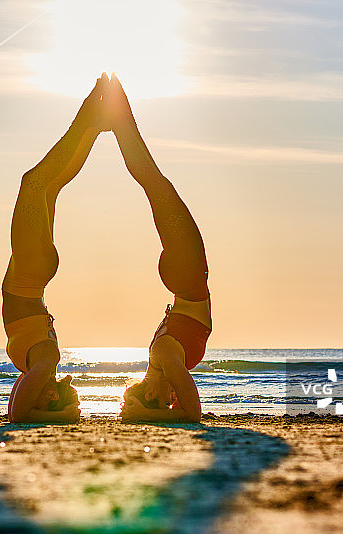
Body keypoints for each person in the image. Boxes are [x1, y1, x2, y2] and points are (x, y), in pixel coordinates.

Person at [2, 74, 112, 423]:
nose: (47, 391)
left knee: (47, 185)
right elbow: (20, 415)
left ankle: (91, 124)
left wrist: (51, 411)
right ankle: (89, 119)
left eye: (46, 398)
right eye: (54, 395)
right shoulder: (47, 360)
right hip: (29, 278)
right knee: (36, 183)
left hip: (30, 276)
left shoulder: (40, 364)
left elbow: (17, 411)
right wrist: (59, 411)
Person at [106, 74, 212, 423]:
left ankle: (119, 114)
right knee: (155, 184)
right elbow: (185, 405)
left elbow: (193, 412)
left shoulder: (165, 356)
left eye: (164, 400)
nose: (172, 399)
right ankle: (118, 115)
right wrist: (150, 412)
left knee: (154, 182)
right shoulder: (162, 359)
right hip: (184, 278)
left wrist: (147, 415)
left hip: (188, 276)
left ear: (150, 391)